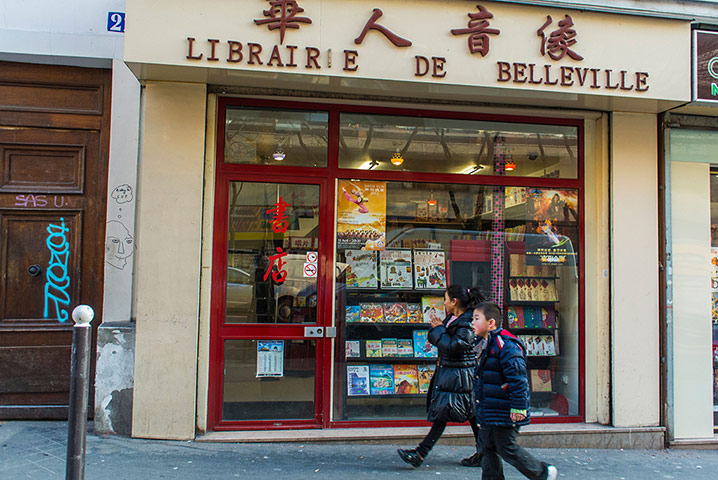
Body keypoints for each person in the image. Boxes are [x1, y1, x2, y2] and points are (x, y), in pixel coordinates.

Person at [397, 285, 484, 468]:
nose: (443, 302)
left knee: (450, 414)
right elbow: (445, 340)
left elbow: (455, 346)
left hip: (460, 375)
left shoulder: (467, 322)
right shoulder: (455, 318)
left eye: (446, 299)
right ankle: (483, 453)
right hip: (453, 372)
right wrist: (439, 329)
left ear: (455, 301)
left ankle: (420, 453)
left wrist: (439, 330)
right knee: (463, 414)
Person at [471, 302, 557, 480]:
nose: (472, 322)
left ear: (491, 323)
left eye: (476, 318)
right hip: (489, 407)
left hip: (505, 409)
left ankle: (542, 473)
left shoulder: (506, 346)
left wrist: (519, 408)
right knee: (486, 446)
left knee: (506, 447)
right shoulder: (483, 344)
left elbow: (518, 380)